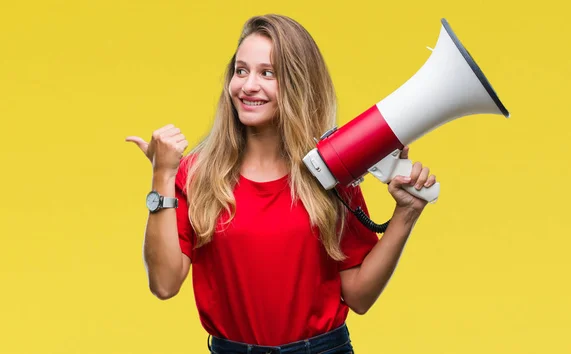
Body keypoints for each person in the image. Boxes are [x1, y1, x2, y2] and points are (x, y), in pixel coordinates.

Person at [126, 14, 437, 354]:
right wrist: (162, 176)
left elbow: (359, 297)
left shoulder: (331, 169)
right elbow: (164, 284)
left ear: (297, 84)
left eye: (267, 73)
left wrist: (406, 214)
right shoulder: (197, 174)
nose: (247, 85)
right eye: (241, 70)